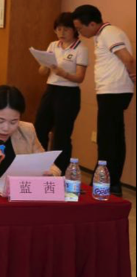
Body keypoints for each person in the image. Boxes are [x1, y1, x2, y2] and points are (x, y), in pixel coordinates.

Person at [72, 4, 135, 196]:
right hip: (111, 91)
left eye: (80, 28)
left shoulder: (109, 33)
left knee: (107, 139)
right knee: (113, 137)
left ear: (92, 24)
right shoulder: (102, 35)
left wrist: (133, 76)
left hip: (114, 91)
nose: (79, 33)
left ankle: (105, 183)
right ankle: (110, 182)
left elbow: (128, 59)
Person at [34, 13, 89, 171]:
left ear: (74, 30)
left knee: (61, 134)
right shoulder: (53, 45)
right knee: (39, 128)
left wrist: (62, 73)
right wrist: (44, 64)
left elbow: (80, 77)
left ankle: (60, 170)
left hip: (68, 94)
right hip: (51, 89)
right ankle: (39, 166)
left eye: (66, 29)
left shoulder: (81, 49)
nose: (62, 33)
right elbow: (42, 72)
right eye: (58, 29)